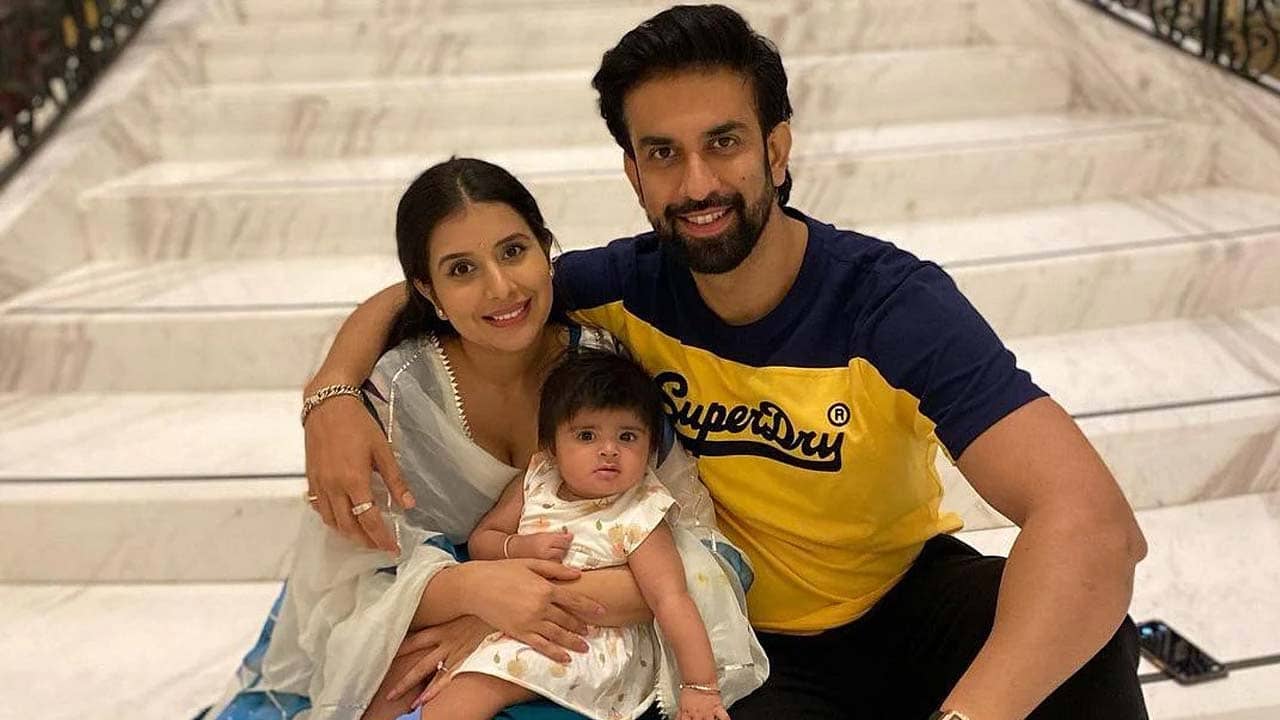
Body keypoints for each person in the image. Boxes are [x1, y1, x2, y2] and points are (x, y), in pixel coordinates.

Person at [303, 6, 1151, 719]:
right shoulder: (625, 286)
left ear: (777, 151)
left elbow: (1094, 523)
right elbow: (462, 286)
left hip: (904, 594)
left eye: (724, 142)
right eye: (663, 153)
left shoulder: (890, 305)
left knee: (1085, 640)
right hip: (744, 640)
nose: (697, 183)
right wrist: (333, 395)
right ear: (634, 174)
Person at [208, 157, 765, 720]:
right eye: (461, 270)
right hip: (426, 612)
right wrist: (474, 593)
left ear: (546, 248)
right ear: (428, 291)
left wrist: (506, 611)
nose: (501, 288)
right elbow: (347, 585)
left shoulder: (602, 370)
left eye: (513, 251)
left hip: (587, 636)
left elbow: (700, 554)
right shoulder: (399, 392)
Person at [415, 350, 733, 720]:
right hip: (511, 610)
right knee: (410, 664)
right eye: (586, 435)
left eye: (627, 436)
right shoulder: (537, 480)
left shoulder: (640, 511)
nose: (609, 450)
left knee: (469, 692)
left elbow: (671, 600)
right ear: (551, 446)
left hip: (586, 639)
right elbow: (482, 541)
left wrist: (700, 687)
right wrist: (517, 546)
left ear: (650, 449)